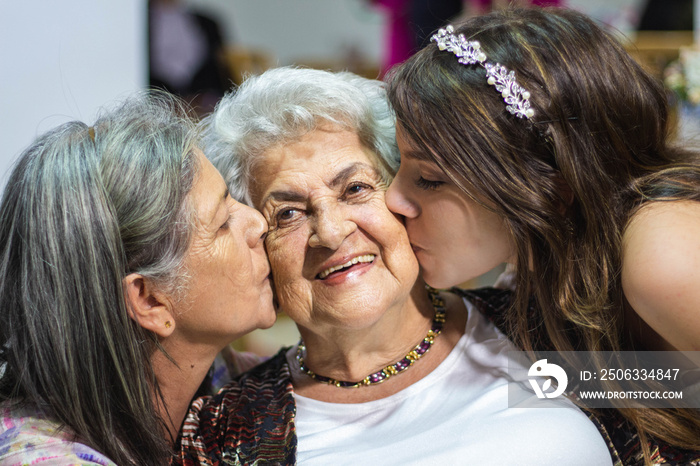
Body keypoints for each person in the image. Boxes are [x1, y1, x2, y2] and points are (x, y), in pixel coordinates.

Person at [174, 66, 613, 465]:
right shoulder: (225, 432)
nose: (330, 231)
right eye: (288, 213)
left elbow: (675, 409)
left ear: (406, 198)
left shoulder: (550, 320)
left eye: (355, 189)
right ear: (257, 244)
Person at [384, 7, 700, 464]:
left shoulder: (662, 255)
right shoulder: (546, 268)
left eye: (429, 179)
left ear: (552, 187)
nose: (393, 199)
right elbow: (672, 385)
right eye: (398, 165)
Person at [0, 93, 275, 464]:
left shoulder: (221, 378)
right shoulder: (42, 457)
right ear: (150, 300)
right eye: (223, 222)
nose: (258, 223)